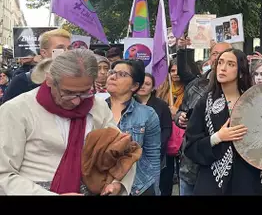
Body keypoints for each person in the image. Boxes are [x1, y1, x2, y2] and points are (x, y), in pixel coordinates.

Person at [0, 49, 135, 195]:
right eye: (68, 93)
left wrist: (117, 184)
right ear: (50, 80)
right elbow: (4, 174)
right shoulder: (16, 110)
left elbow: (122, 150)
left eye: (85, 92)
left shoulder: (97, 107)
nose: (77, 101)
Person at [183, 48, 262, 194]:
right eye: (220, 63)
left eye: (230, 64)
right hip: (212, 183)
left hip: (248, 182)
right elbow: (190, 146)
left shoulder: (256, 103)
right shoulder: (205, 103)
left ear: (241, 72)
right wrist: (218, 137)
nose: (223, 68)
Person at [175, 40, 232, 195]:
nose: (218, 58)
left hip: (221, 168)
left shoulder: (238, 90)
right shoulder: (194, 85)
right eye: (215, 53)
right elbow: (181, 110)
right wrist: (180, 117)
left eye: (223, 54)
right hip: (190, 167)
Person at [107, 60, 161, 196]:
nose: (113, 77)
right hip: (101, 184)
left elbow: (153, 155)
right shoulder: (95, 109)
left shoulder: (147, 114)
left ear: (134, 85)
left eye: (122, 74)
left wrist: (155, 187)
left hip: (138, 186)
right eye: (112, 72)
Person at [3, 29, 72, 103]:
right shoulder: (23, 81)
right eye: (60, 48)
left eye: (70, 48)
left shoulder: (80, 79)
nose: (67, 52)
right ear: (44, 53)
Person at [136, 73, 174, 196]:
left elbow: (167, 129)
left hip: (157, 152)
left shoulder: (161, 105)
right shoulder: (130, 104)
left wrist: (157, 145)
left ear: (153, 87)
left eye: (147, 84)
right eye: (141, 84)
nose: (143, 87)